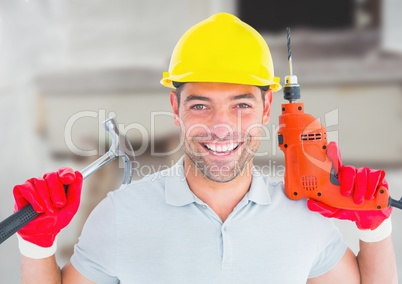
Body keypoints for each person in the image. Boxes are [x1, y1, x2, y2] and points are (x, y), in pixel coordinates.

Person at [14, 13, 397, 283]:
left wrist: (375, 227)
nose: (220, 126)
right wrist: (37, 245)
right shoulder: (120, 214)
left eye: (241, 104)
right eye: (200, 105)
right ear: (175, 109)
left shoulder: (305, 217)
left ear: (267, 109)